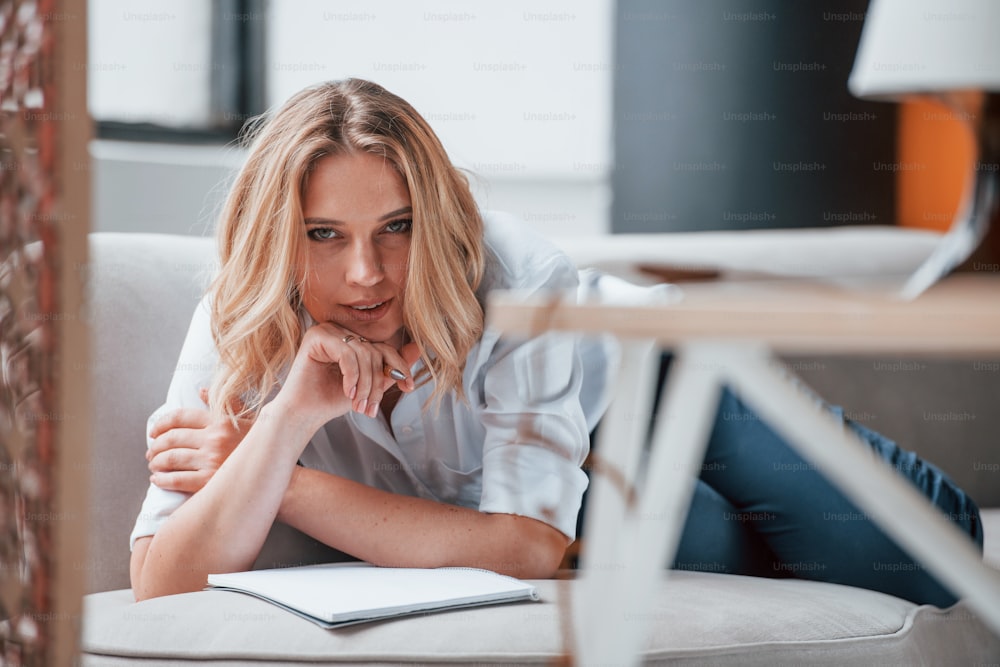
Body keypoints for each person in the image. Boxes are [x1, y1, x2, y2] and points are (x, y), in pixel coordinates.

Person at [129, 78, 983, 606]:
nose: (365, 274)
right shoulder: (240, 317)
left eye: (397, 226)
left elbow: (526, 547)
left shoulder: (514, 270)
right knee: (710, 545)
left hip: (649, 385)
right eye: (324, 235)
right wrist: (280, 429)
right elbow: (158, 580)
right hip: (573, 495)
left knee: (922, 561)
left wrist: (275, 479)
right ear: (280, 238)